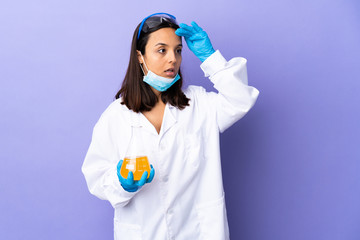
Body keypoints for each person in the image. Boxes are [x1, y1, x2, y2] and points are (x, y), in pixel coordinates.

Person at [82, 12, 259, 240]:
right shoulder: (116, 116)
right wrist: (121, 183)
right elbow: (96, 178)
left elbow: (240, 99)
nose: (173, 59)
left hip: (198, 232)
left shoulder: (199, 104)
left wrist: (211, 58)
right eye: (161, 50)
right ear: (140, 56)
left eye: (178, 50)